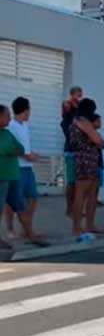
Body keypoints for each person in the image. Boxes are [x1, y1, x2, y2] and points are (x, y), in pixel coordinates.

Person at [0, 105, 46, 248]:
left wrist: (12, 150)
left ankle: (30, 234)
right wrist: (11, 150)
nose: (9, 117)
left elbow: (19, 148)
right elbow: (5, 149)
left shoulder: (7, 133)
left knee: (21, 207)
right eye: (6, 115)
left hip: (13, 175)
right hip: (1, 177)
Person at [69, 98, 104, 237]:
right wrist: (96, 140)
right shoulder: (83, 122)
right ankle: (77, 227)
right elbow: (98, 140)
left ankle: (89, 226)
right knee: (81, 195)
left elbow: (100, 141)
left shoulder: (77, 121)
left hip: (89, 160)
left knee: (92, 195)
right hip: (85, 160)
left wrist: (97, 140)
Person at [61, 86, 83, 216]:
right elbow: (66, 107)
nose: (79, 97)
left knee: (79, 182)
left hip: (80, 151)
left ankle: (75, 208)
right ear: (72, 94)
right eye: (78, 95)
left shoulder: (79, 110)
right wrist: (71, 103)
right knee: (71, 181)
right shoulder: (68, 106)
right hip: (71, 150)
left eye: (80, 95)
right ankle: (69, 208)